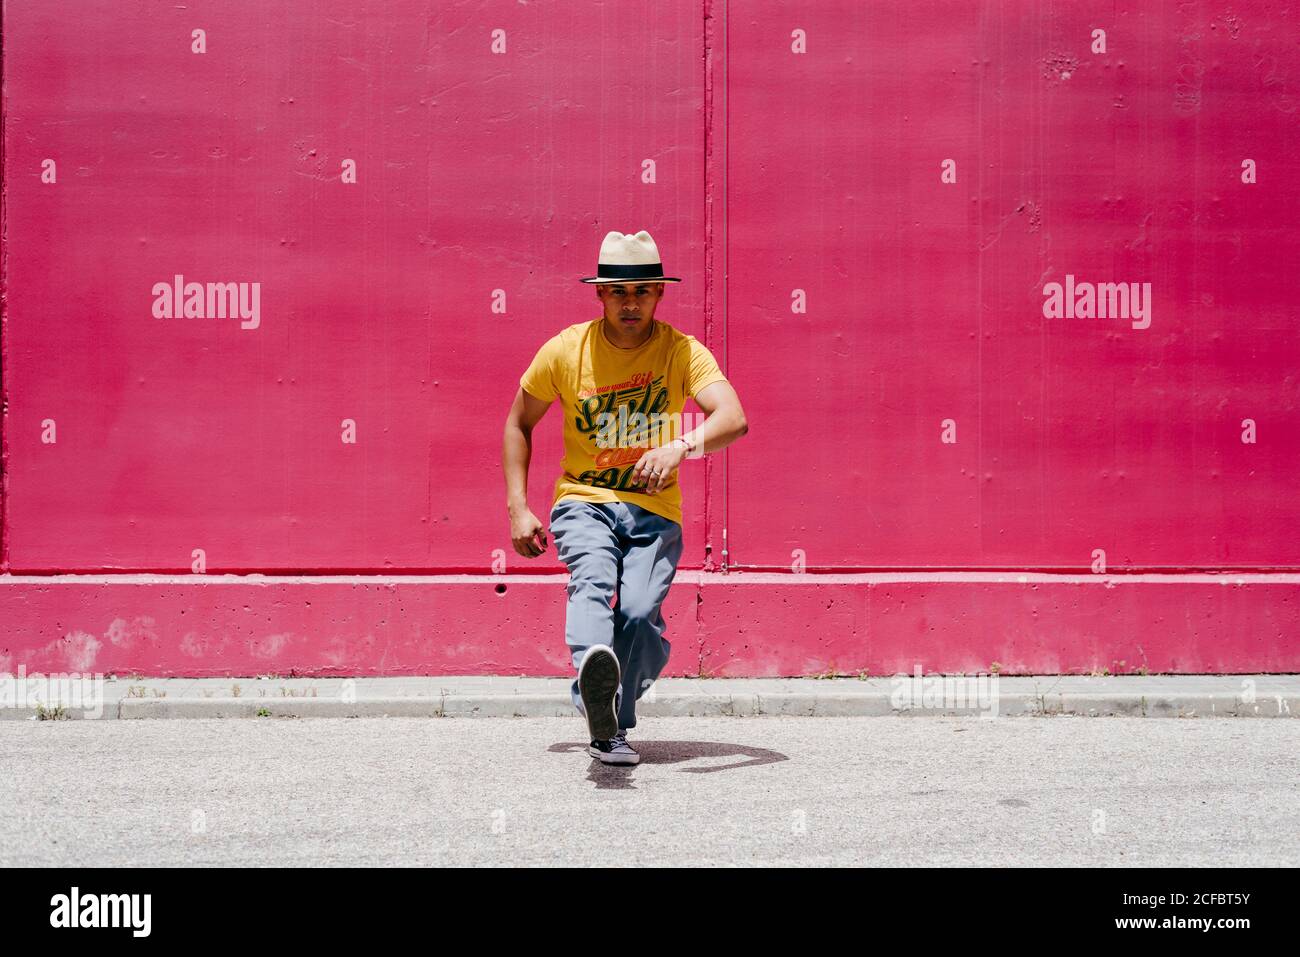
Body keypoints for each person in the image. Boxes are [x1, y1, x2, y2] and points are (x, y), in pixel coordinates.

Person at [502, 230, 749, 765]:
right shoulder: (566, 351)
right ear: (600, 295)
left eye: (642, 291)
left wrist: (681, 446)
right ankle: (594, 669)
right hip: (583, 499)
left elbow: (734, 418)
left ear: (660, 292)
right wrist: (518, 508)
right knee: (592, 577)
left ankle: (609, 713)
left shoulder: (683, 352)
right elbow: (519, 420)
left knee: (639, 614)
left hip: (653, 511)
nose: (630, 302)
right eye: (617, 291)